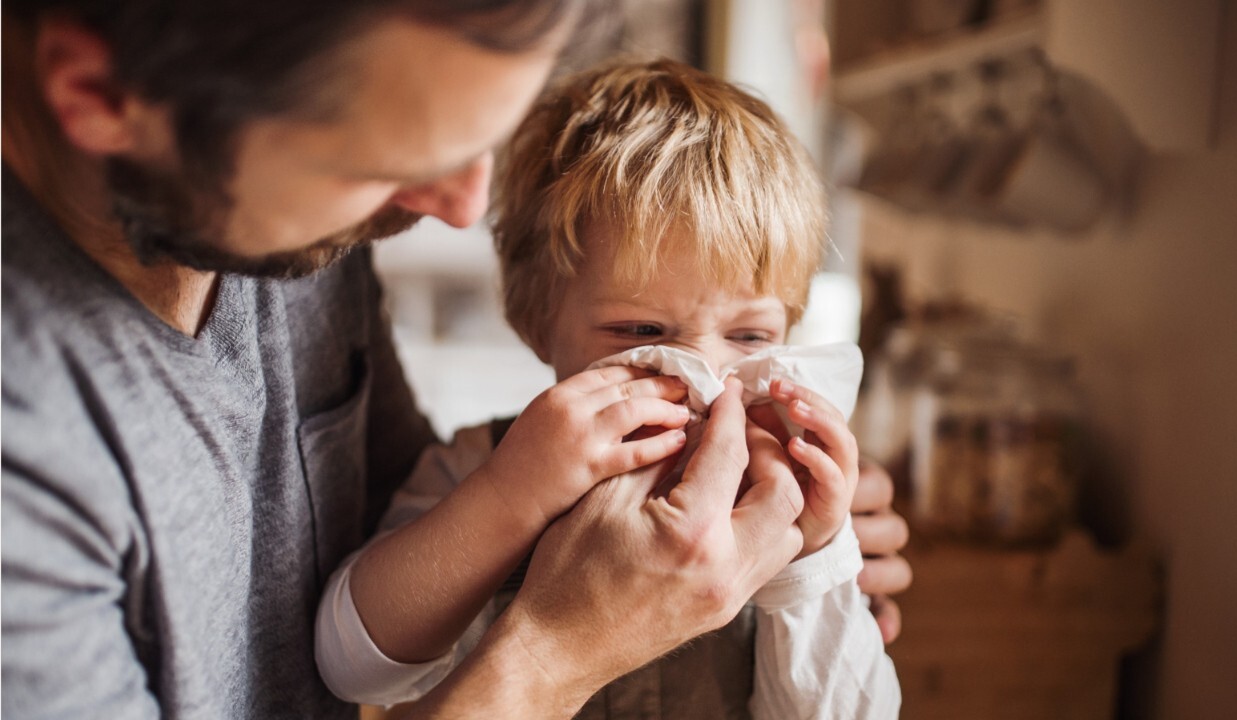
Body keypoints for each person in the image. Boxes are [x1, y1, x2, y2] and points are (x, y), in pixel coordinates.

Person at [1, 2, 910, 718]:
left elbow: (382, 522)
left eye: (749, 336)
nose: (462, 209)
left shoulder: (287, 220)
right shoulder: (27, 467)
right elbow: (359, 644)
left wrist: (814, 567)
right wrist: (558, 643)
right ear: (102, 98)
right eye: (380, 158)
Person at [314, 58, 901, 719]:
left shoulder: (780, 503)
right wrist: (510, 494)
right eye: (642, 330)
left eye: (750, 339)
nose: (703, 379)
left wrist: (812, 562)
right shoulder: (483, 465)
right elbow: (351, 667)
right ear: (538, 323)